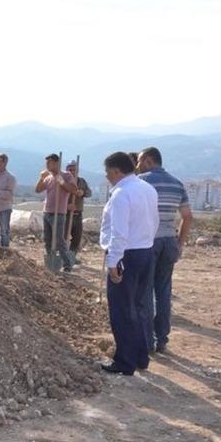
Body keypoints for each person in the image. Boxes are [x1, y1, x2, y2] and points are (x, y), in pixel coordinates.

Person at [99, 152, 159, 375]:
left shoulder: (122, 194)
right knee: (137, 306)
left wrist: (114, 262)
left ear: (116, 171)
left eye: (107, 173)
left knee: (122, 311)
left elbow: (119, 233)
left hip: (127, 255)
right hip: (145, 251)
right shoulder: (147, 189)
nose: (107, 177)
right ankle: (141, 357)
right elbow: (154, 222)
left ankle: (125, 362)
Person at [136, 147, 193, 354]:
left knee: (145, 290)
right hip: (169, 241)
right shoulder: (177, 183)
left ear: (149, 161)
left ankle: (148, 338)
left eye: (141, 160)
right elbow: (188, 216)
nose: (138, 164)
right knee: (163, 291)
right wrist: (180, 242)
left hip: (148, 242)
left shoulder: (142, 181)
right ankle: (162, 339)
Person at [35, 153, 77, 271]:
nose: (47, 165)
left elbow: (74, 190)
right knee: (47, 239)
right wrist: (41, 178)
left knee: (59, 239)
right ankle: (51, 262)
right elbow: (38, 190)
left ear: (56, 163)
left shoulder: (66, 175)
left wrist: (62, 182)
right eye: (47, 162)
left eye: (50, 162)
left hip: (59, 213)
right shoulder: (48, 177)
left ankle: (67, 264)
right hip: (47, 211)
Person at [65, 160, 92, 262]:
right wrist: (66, 205)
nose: (72, 172)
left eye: (74, 170)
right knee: (64, 237)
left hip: (78, 214)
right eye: (70, 169)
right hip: (66, 214)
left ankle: (72, 257)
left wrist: (83, 192)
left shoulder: (81, 181)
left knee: (77, 238)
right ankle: (64, 257)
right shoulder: (64, 181)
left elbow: (89, 193)